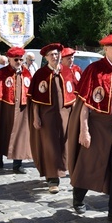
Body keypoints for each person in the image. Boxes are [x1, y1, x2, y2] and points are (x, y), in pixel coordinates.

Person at [67, 34, 112, 223]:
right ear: (106, 49)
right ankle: (79, 196)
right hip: (97, 125)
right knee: (89, 164)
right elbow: (84, 105)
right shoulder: (94, 70)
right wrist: (84, 130)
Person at [28, 43, 76, 194]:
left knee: (65, 143)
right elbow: (35, 99)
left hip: (65, 114)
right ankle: (52, 178)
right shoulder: (40, 74)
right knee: (50, 145)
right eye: (51, 55)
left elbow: (74, 94)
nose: (55, 57)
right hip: (47, 115)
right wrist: (36, 117)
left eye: (56, 54)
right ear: (46, 58)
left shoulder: (67, 71)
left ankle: (65, 170)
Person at [0, 47, 32, 174]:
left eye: (21, 60)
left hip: (22, 110)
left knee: (21, 135)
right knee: (2, 133)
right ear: (10, 59)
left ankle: (17, 164)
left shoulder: (26, 73)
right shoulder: (1, 73)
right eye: (16, 59)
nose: (19, 62)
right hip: (5, 109)